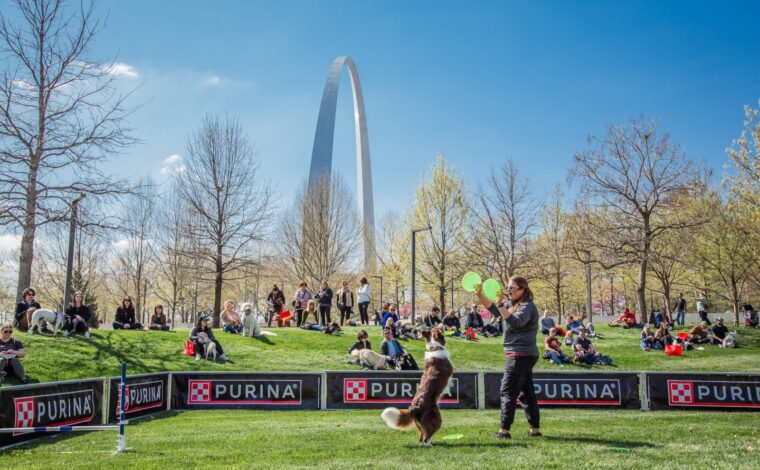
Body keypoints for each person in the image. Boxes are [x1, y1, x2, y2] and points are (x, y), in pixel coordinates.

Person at [476, 275, 541, 440]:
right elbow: (491, 308)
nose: (509, 290)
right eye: (508, 287)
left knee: (507, 391)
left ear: (523, 290)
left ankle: (504, 431)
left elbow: (516, 322)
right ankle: (535, 429)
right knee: (526, 393)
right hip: (522, 354)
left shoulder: (528, 306)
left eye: (513, 288)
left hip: (520, 354)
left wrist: (499, 304)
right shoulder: (511, 304)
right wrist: (480, 294)